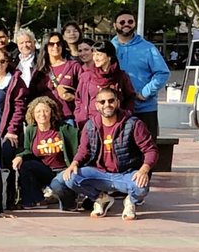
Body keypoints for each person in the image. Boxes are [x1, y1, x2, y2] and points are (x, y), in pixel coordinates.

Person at [61, 87, 157, 221]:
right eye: (102, 102)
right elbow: (83, 150)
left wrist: (144, 170)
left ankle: (130, 201)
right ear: (96, 105)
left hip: (126, 174)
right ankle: (102, 199)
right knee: (70, 178)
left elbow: (150, 150)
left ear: (117, 102)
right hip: (100, 173)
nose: (107, 105)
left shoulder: (133, 124)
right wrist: (74, 164)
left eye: (111, 101)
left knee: (141, 186)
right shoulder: (91, 126)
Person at [109, 10, 170, 141]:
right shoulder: (109, 48)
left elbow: (163, 73)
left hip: (144, 109)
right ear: (115, 25)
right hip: (116, 110)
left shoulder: (148, 48)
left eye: (130, 21)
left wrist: (145, 92)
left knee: (147, 150)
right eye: (122, 22)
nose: (126, 24)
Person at [13, 96, 78, 210]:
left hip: (62, 171)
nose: (42, 114)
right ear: (33, 114)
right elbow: (27, 149)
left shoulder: (64, 128)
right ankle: (35, 201)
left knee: (64, 202)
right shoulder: (30, 130)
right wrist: (19, 157)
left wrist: (74, 164)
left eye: (46, 111)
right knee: (26, 166)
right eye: (38, 111)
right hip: (44, 171)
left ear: (51, 112)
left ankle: (69, 200)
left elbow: (78, 145)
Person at [75, 43, 137, 127]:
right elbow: (79, 99)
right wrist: (80, 116)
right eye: (94, 55)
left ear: (109, 56)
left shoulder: (121, 76)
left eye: (99, 55)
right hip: (91, 123)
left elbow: (130, 97)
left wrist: (126, 114)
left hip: (116, 122)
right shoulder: (86, 76)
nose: (95, 58)